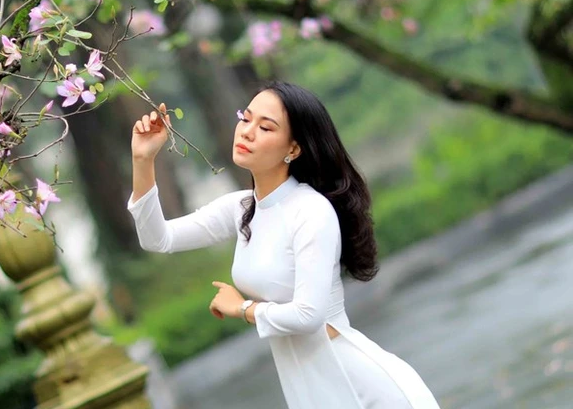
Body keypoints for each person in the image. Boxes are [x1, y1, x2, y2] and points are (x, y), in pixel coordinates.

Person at [127, 81, 441, 409]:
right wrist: (143, 160)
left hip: (364, 389)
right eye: (245, 118)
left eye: (265, 127)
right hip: (311, 392)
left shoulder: (310, 210)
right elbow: (157, 239)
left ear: (293, 149)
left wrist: (243, 308)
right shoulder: (241, 209)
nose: (247, 132)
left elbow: (309, 314)